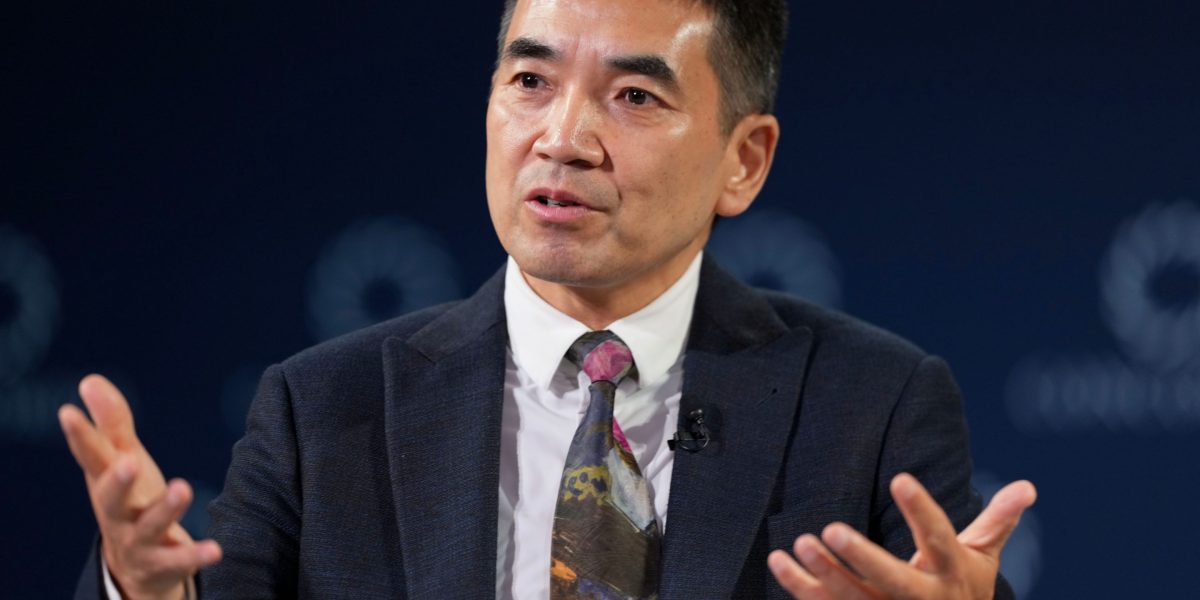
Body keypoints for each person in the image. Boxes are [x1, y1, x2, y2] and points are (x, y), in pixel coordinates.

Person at [60, 0, 1037, 598]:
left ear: (744, 160)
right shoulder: (324, 410)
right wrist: (140, 591)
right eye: (531, 79)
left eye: (634, 97)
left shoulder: (872, 406)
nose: (562, 139)